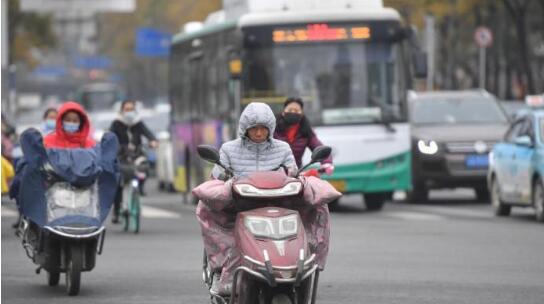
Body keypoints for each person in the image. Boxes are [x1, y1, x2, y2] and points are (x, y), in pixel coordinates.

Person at [202, 102, 297, 296]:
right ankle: (221, 270)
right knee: (204, 207)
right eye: (255, 129)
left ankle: (304, 263)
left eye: (263, 128)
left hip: (278, 206)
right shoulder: (228, 149)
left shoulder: (283, 148)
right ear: (245, 129)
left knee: (316, 209)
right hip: (238, 206)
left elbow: (293, 174)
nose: (259, 133)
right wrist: (223, 179)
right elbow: (217, 176)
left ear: (270, 128)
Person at [109, 100, 157, 223]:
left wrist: (153, 140)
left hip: (136, 154)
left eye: (131, 109)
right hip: (121, 156)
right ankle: (117, 210)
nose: (129, 112)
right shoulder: (116, 123)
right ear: (122, 110)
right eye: (127, 109)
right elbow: (110, 137)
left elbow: (148, 133)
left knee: (144, 167)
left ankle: (140, 188)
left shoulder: (138, 123)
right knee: (119, 181)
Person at [274, 97, 333, 174]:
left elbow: (318, 146)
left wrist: (327, 163)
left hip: (296, 174)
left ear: (301, 114)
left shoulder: (306, 131)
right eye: (290, 110)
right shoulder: (273, 128)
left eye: (296, 111)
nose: (293, 112)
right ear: (283, 112)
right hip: (274, 173)